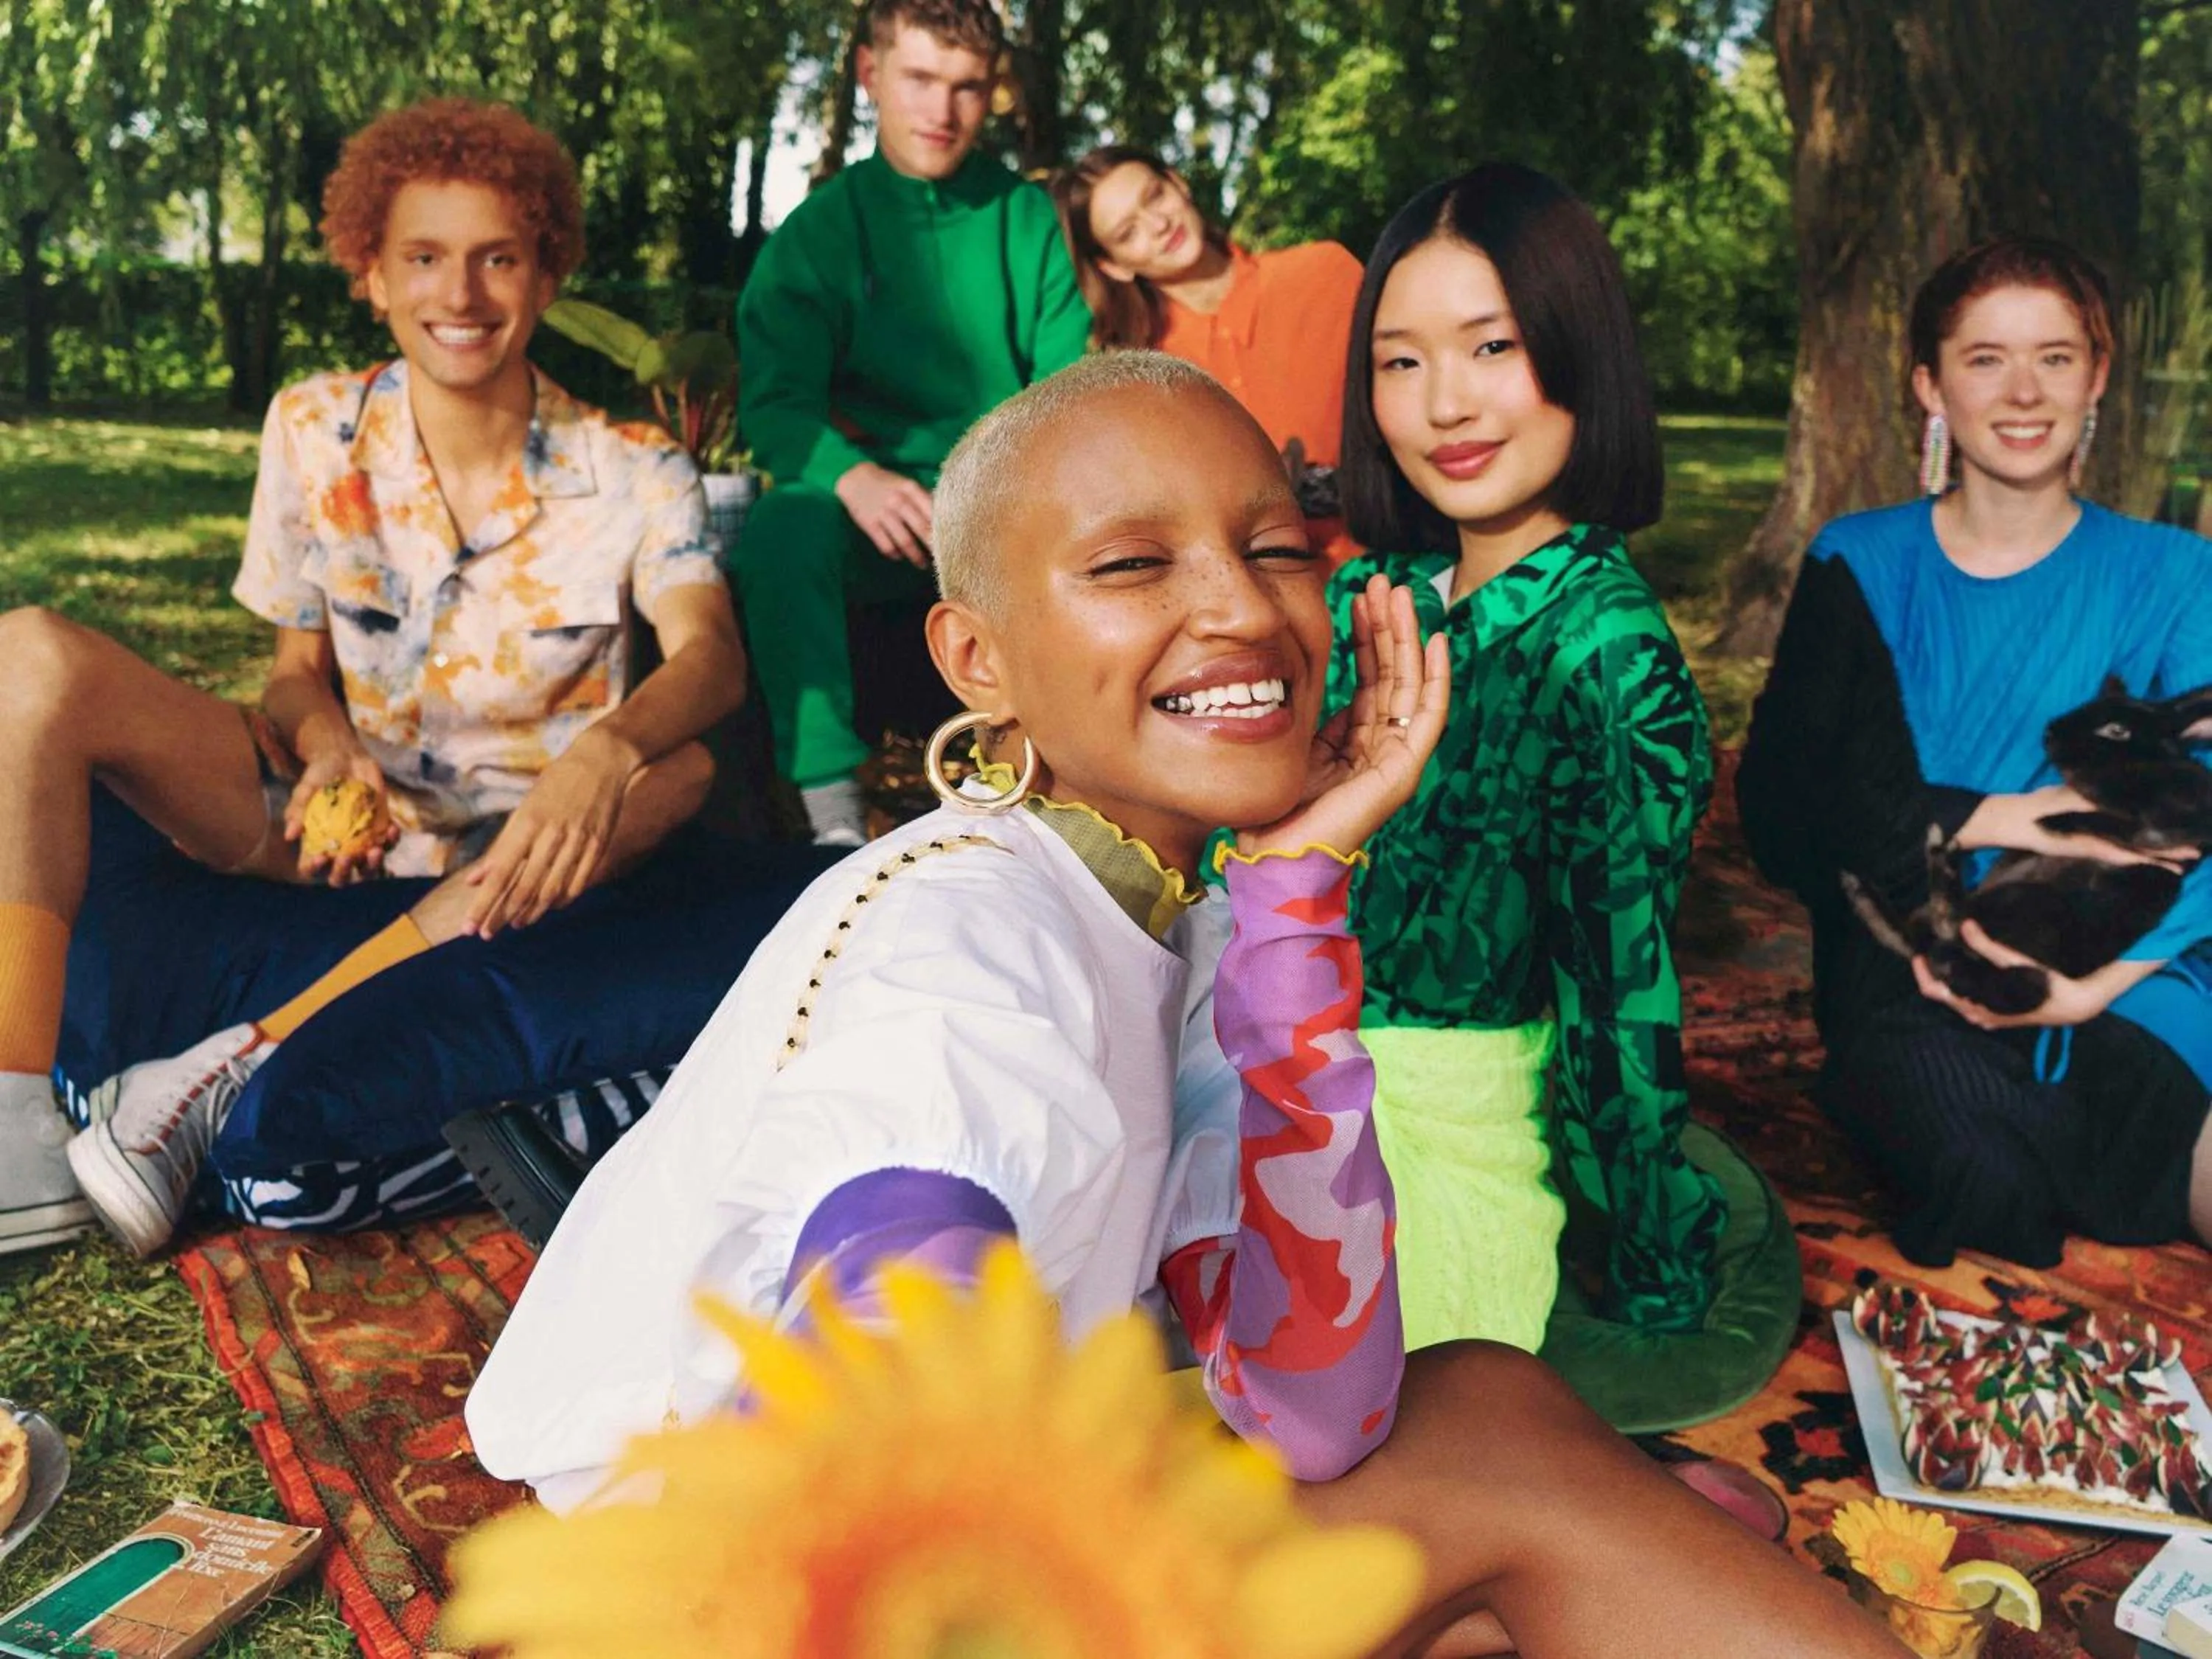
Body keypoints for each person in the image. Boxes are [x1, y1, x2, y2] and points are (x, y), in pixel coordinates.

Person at [467, 354, 1898, 1658]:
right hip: (774, 1607)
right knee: (1512, 1476)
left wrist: (1297, 908)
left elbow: (1315, 1404)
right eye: (1134, 564)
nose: (1238, 607)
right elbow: (878, 1423)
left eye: (1277, 546)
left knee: (1477, 1404)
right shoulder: (960, 955)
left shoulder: (1177, 920)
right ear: (980, 663)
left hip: (980, 1536)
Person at [0, 98, 752, 1259]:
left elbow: (709, 657)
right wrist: (325, 747)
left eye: (497, 258)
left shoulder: (636, 465)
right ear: (372, 274)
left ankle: (221, 1065)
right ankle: (12, 1126)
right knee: (31, 649)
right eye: (425, 259)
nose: (461, 296)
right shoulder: (309, 426)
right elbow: (294, 669)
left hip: (526, 851)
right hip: (331, 825)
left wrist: (603, 752)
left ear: (546, 272)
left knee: (680, 768)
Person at [1320, 164, 1800, 1439]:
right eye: (1400, 362)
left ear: (1581, 351)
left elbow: (1617, 998)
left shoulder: (1609, 656)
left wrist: (1650, 1263)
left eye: (1494, 346)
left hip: (1443, 1133)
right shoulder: (1372, 597)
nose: (1446, 405)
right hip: (1260, 1058)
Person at [1738, 235, 2212, 1271]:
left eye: (2055, 355)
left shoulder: (2177, 573)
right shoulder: (1858, 560)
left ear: (2098, 374)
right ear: (1931, 384)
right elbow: (1779, 810)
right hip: (1916, 972)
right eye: (1986, 357)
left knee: (2164, 1106)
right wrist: (1986, 813)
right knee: (1981, 1179)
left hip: (2135, 963)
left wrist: (2092, 989)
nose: (2024, 389)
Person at [733, 0, 1092, 846]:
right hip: (877, 518)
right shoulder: (819, 232)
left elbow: (1065, 392)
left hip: (1002, 506)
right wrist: (850, 476)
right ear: (871, 76)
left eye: (967, 87)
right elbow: (774, 403)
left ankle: (1059, 791)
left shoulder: (1025, 218)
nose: (942, 111)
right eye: (920, 79)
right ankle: (832, 818)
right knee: (784, 526)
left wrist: (989, 500)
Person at [1051, 145, 1364, 560]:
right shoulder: (1141, 380)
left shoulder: (1324, 273)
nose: (1158, 224)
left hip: (1414, 559)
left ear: (1178, 184)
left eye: (1154, 196)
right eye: (1128, 232)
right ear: (1114, 266)